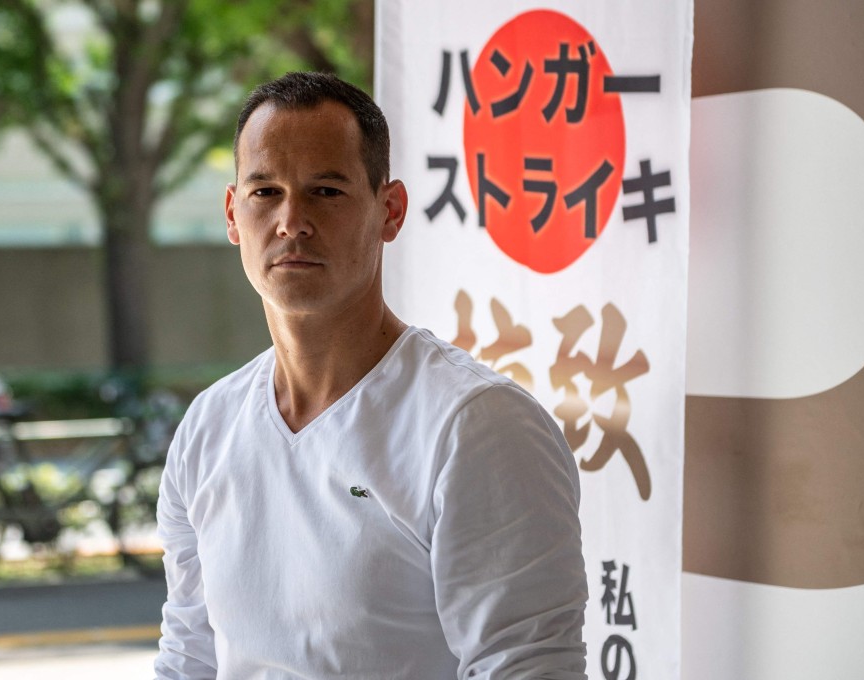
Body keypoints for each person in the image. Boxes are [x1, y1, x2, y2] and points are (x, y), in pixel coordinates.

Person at [154, 71, 588, 679]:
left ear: (391, 210)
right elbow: (189, 656)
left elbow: (527, 666)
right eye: (265, 192)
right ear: (233, 213)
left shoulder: (477, 426)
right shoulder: (209, 426)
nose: (291, 221)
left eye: (326, 191)